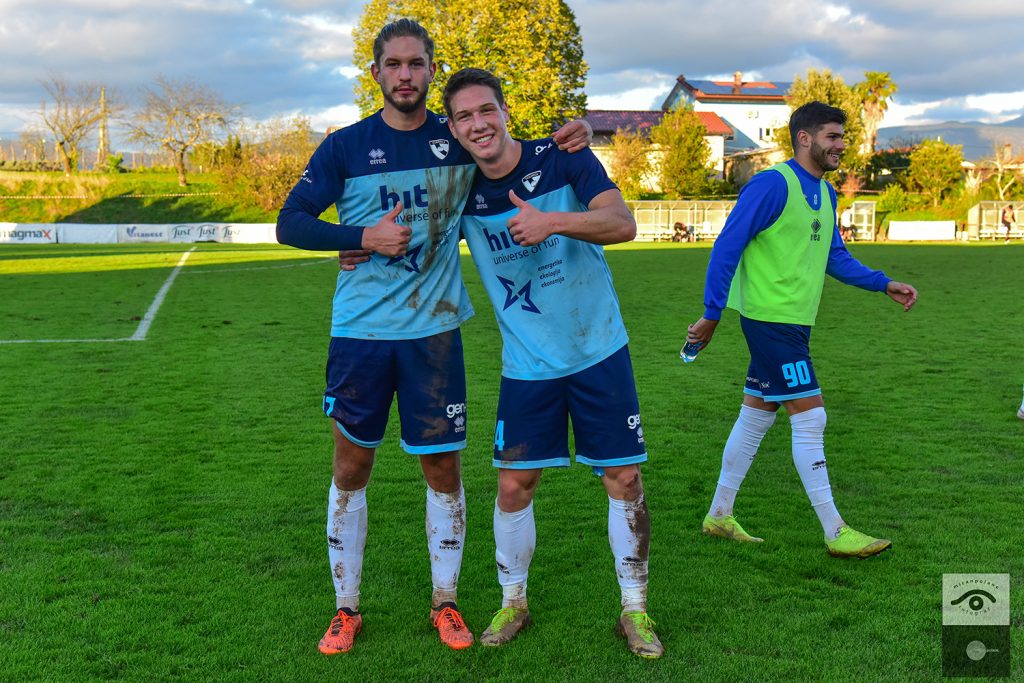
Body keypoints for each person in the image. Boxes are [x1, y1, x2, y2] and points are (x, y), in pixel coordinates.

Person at [275, 19, 591, 655]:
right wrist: (360, 237)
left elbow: (514, 153)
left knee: (443, 467)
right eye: (393, 65)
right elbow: (290, 222)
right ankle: (345, 607)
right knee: (351, 465)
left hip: (436, 333)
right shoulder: (344, 147)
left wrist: (572, 137)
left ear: (430, 70)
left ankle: (445, 600)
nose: (405, 75)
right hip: (361, 334)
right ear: (375, 73)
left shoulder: (456, 143)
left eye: (416, 64)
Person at [442, 68, 663, 658]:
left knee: (623, 478)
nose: (478, 124)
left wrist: (551, 221)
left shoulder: (564, 157)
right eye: (464, 117)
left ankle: (634, 609)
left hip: (598, 350)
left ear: (505, 111)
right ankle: (513, 601)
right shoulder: (459, 186)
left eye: (486, 110)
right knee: (514, 483)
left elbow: (622, 223)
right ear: (453, 129)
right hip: (528, 363)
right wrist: (355, 245)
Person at [685, 101, 918, 559]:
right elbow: (727, 246)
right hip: (770, 321)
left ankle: (719, 514)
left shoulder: (826, 194)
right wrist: (712, 312)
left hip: (794, 323)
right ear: (804, 138)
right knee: (811, 418)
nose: (841, 145)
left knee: (756, 414)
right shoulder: (772, 185)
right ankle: (836, 531)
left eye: (842, 137)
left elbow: (835, 257)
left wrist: (882, 283)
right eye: (833, 136)